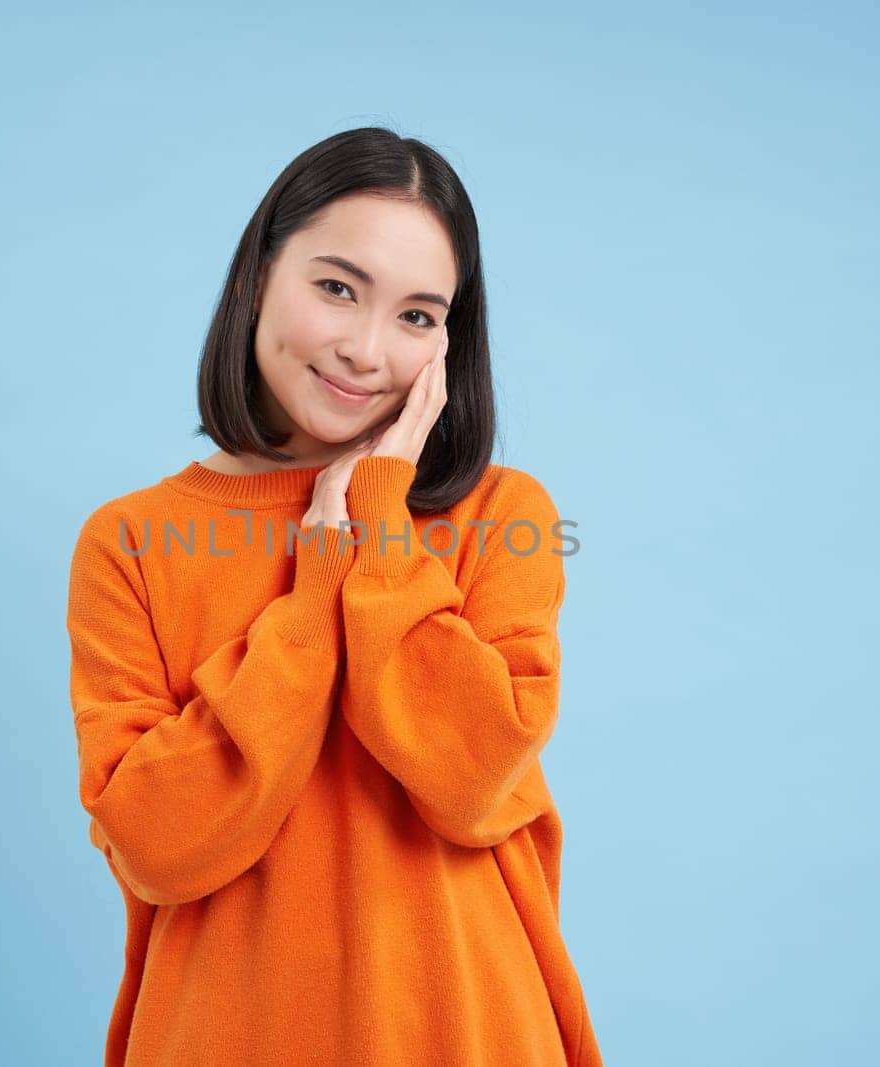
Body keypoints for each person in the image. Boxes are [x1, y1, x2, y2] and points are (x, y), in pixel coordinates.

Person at [66, 126, 602, 1066]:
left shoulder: (503, 516)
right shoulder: (133, 540)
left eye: (417, 315)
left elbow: (469, 777)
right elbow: (158, 843)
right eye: (337, 288)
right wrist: (315, 588)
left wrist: (379, 522)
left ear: (449, 343)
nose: (365, 349)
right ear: (259, 274)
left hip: (465, 1031)